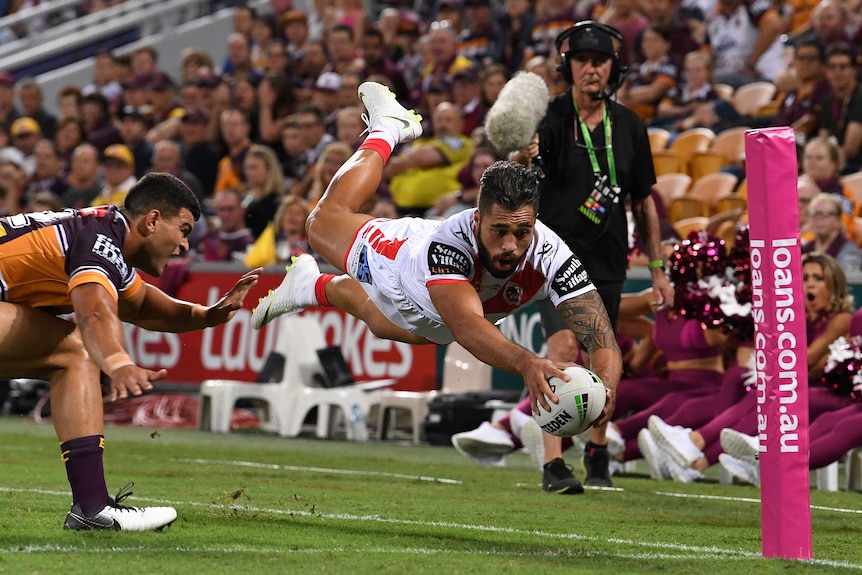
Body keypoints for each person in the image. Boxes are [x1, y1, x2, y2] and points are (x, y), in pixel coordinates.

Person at [251, 81, 622, 445]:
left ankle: (308, 285)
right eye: (499, 231)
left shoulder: (551, 254)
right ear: (477, 220)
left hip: (440, 320)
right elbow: (466, 326)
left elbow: (600, 336)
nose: (511, 245)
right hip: (400, 260)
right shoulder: (450, 247)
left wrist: (605, 387)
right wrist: (528, 363)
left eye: (523, 232)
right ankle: (388, 127)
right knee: (321, 223)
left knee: (382, 325)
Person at [0, 172, 262, 530]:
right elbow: (93, 311)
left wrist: (204, 315)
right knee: (76, 352)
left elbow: (142, 307)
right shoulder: (101, 241)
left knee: (73, 354)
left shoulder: (103, 235)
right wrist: (117, 361)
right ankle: (91, 508)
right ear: (153, 220)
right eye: (183, 230)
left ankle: (92, 508)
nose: (185, 246)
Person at [511, 21, 673, 489]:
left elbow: (643, 203)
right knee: (562, 349)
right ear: (568, 66)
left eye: (599, 61)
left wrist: (658, 269)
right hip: (552, 259)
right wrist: (523, 158)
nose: (591, 70)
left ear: (613, 69)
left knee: (605, 355)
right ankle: (553, 462)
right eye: (581, 61)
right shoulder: (547, 118)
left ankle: (598, 450)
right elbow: (518, 182)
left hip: (609, 258)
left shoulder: (630, 127)